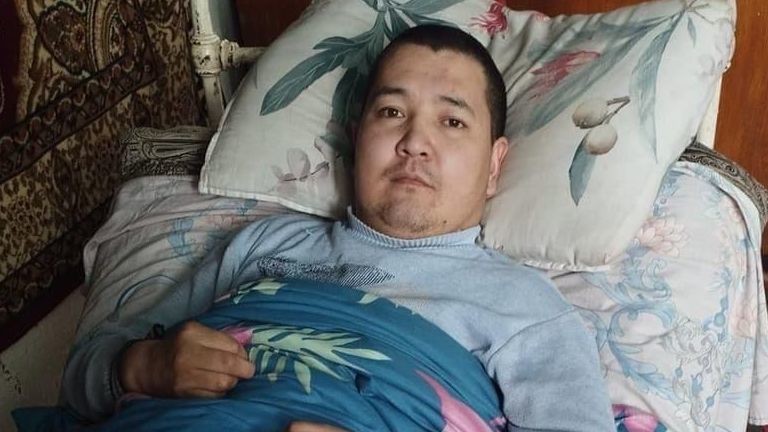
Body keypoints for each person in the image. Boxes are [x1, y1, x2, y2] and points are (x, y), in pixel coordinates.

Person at [63, 25, 615, 431]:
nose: (414, 142)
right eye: (391, 112)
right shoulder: (262, 245)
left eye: (452, 121)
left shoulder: (526, 308)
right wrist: (143, 365)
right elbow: (83, 377)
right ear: (356, 138)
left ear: (495, 165)